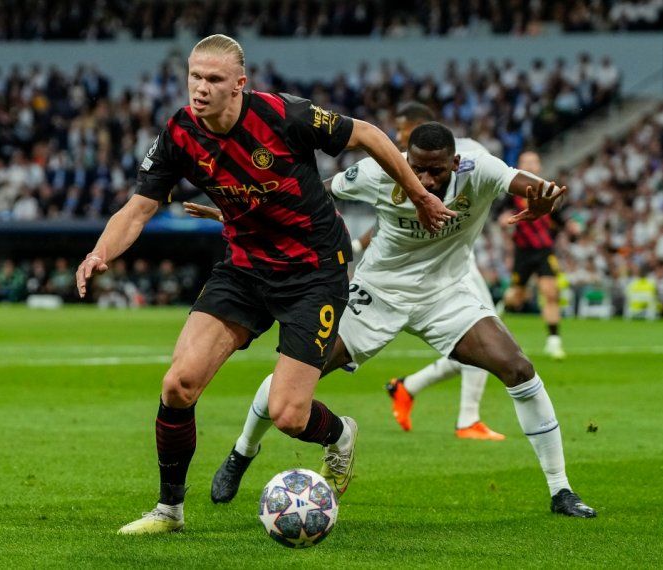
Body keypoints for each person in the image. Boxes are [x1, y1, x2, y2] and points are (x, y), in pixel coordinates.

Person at [74, 34, 455, 536]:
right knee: (178, 384)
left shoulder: (284, 115)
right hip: (244, 267)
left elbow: (369, 135)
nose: (201, 88)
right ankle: (169, 511)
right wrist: (101, 251)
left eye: (213, 79)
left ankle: (339, 435)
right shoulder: (180, 133)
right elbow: (139, 208)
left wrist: (419, 197)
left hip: (314, 271)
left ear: (238, 85)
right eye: (195, 77)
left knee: (289, 415)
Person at [192, 122, 596, 518]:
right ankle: (243, 451)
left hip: (447, 295)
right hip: (377, 293)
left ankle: (561, 489)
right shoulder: (378, 172)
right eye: (416, 167)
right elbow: (312, 192)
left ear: (454, 163)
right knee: (294, 375)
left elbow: (528, 184)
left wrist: (546, 198)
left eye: (435, 170)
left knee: (519, 368)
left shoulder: (479, 170)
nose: (424, 177)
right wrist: (243, 212)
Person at [370, 102, 506, 439]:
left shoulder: (470, 153)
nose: (397, 135)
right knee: (483, 341)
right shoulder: (402, 165)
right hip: (421, 268)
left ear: (417, 125)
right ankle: (465, 419)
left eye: (401, 128)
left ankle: (411, 389)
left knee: (483, 340)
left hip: (455, 264)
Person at [500, 151, 566, 359]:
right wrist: (503, 220)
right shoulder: (511, 193)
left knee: (550, 292)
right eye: (525, 162)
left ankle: (554, 341)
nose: (529, 165)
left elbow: (560, 218)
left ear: (539, 166)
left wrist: (571, 226)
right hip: (523, 252)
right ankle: (500, 307)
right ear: (519, 165)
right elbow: (499, 215)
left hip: (545, 250)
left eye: (533, 162)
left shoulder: (548, 191)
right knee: (516, 298)